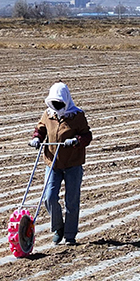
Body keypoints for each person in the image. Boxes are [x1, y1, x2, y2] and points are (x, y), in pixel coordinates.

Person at [29, 82, 92, 246]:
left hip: (72, 164)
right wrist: (37, 138)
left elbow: (87, 136)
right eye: (54, 103)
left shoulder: (77, 116)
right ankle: (58, 229)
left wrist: (76, 141)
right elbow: (41, 129)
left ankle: (70, 235)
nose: (57, 107)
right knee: (49, 197)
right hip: (53, 163)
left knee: (71, 200)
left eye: (60, 103)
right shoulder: (48, 114)